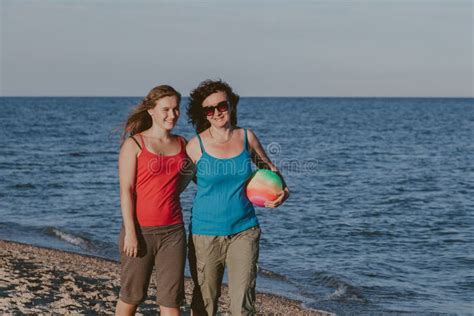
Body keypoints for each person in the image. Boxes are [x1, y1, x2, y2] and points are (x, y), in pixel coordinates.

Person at [185, 80, 290, 315]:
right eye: (209, 109)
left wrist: (283, 192)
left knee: (242, 303)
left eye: (221, 106)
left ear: (231, 105)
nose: (216, 113)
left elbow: (270, 171)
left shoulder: (246, 137)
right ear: (204, 114)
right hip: (205, 234)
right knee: (205, 302)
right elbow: (178, 185)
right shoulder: (195, 146)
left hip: (244, 231)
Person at [116, 85, 190, 316]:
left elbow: (188, 179)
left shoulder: (183, 144)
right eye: (166, 109)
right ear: (151, 111)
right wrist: (130, 232)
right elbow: (126, 190)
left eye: (176, 109)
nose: (172, 115)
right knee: (132, 296)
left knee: (171, 301)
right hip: (140, 231)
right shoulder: (134, 144)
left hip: (173, 233)